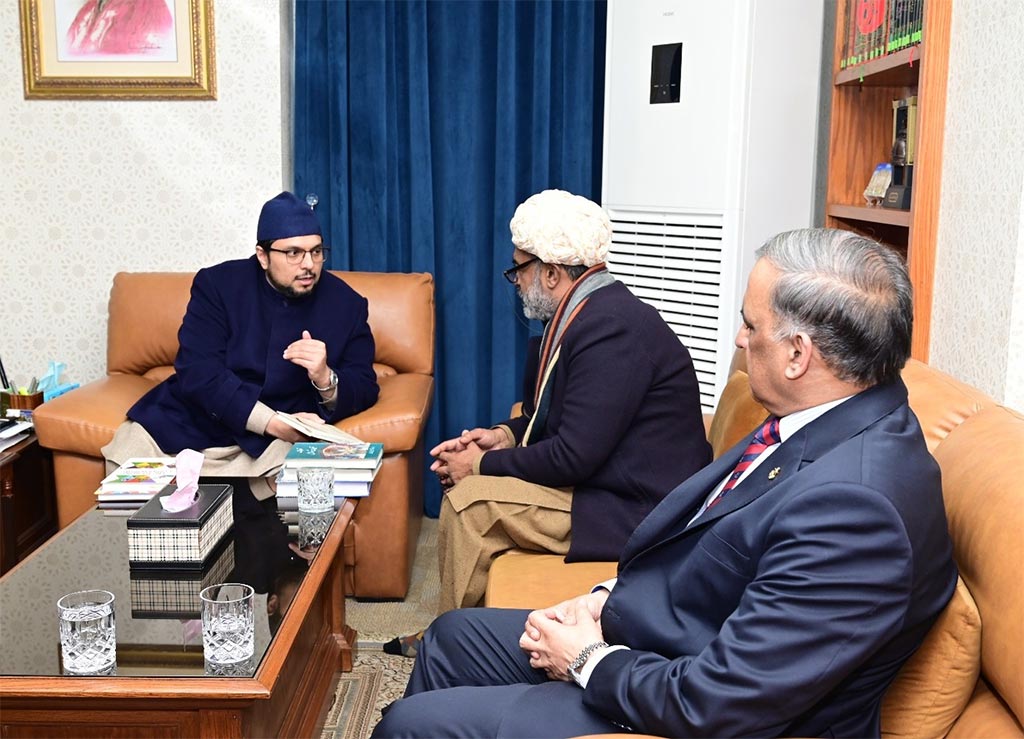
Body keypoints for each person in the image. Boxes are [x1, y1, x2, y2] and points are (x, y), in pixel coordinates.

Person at [372, 228, 958, 739]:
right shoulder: (826, 419)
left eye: (751, 326)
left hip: (683, 701)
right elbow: (718, 551)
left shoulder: (857, 509)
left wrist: (587, 659)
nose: (738, 340)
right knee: (452, 637)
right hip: (662, 637)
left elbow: (720, 701)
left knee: (407, 726)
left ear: (799, 354)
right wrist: (603, 601)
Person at [431, 189, 710, 615]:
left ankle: (454, 640)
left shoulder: (611, 330)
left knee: (471, 501)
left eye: (520, 268)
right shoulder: (587, 314)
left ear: (552, 273)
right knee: (475, 488)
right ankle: (461, 627)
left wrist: (478, 465)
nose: (517, 280)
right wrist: (502, 437)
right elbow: (556, 418)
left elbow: (572, 456)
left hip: (636, 508)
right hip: (606, 485)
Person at [102, 191, 379, 502]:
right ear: (262, 255)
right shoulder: (218, 286)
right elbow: (199, 372)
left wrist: (327, 379)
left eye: (316, 252)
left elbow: (365, 385)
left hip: (272, 443)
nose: (309, 265)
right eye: (293, 253)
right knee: (128, 468)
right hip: (196, 419)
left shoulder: (346, 304)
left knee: (310, 483)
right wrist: (272, 424)